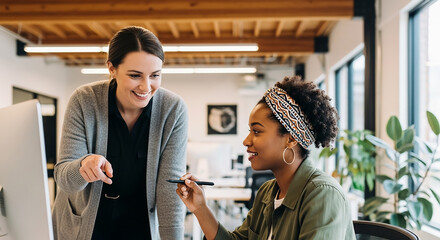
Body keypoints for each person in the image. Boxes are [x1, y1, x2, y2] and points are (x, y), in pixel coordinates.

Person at [176, 76, 356, 239]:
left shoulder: (322, 194)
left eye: (256, 131)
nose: (246, 141)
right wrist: (200, 208)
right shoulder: (267, 192)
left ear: (291, 139)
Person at [52, 26, 188, 240]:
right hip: (85, 227)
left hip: (139, 225)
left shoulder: (173, 109)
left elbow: (168, 191)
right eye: (135, 75)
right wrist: (82, 166)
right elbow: (64, 179)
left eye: (155, 75)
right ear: (111, 68)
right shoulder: (84, 100)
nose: (146, 86)